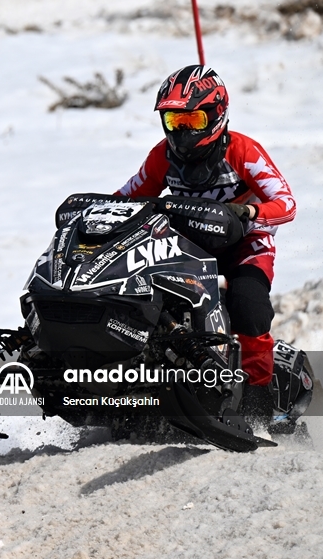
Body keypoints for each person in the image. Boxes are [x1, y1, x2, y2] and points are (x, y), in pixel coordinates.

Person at [115, 64, 296, 414]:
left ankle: (259, 403)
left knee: (248, 306)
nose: (182, 133)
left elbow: (286, 203)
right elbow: (127, 197)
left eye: (192, 121)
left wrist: (250, 213)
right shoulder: (161, 157)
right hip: (187, 245)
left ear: (217, 115)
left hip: (245, 244)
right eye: (173, 122)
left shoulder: (244, 151)